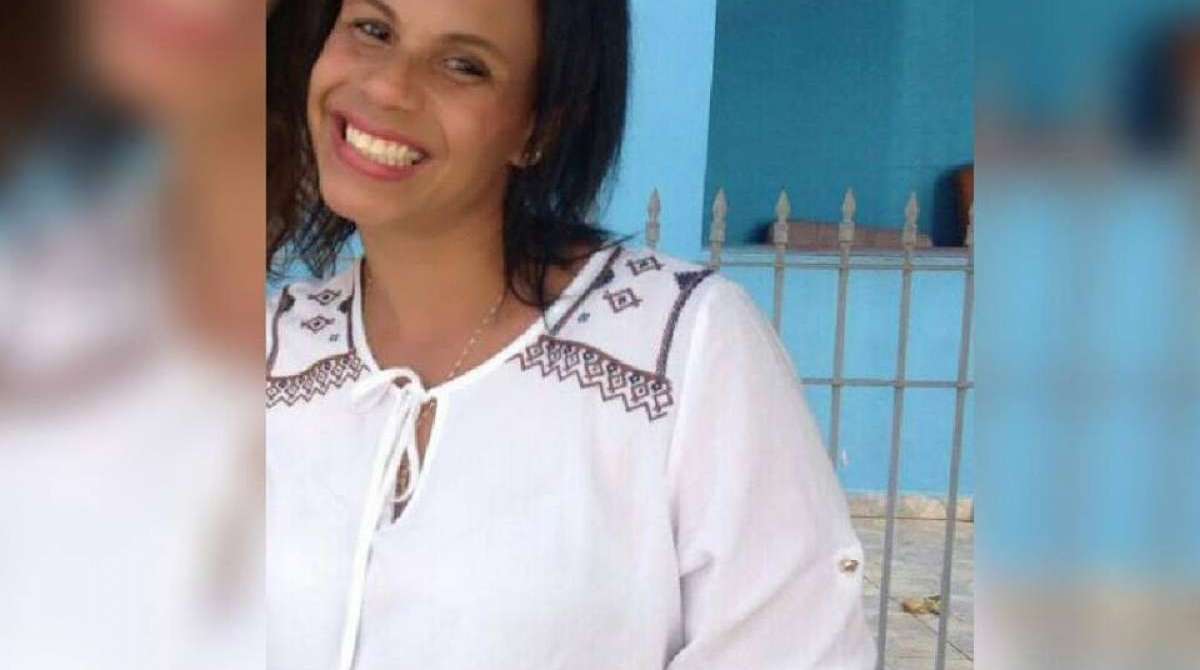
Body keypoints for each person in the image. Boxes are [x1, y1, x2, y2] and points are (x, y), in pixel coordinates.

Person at [266, 1, 874, 668]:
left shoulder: (682, 352)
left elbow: (794, 644)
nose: (387, 86)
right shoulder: (264, 353)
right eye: (373, 29)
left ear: (540, 127)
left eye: (464, 66)